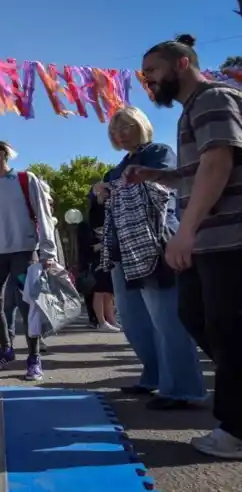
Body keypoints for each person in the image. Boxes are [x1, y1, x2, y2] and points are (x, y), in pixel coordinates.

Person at [129, 34, 242, 457]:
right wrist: (157, 176)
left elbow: (218, 163)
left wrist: (186, 230)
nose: (149, 81)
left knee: (228, 331)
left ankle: (236, 431)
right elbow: (195, 172)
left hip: (230, 238)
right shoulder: (191, 111)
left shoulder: (213, 98)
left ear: (181, 64)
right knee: (196, 316)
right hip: (212, 241)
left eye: (153, 71)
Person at [95, 103, 206, 412]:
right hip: (121, 247)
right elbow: (108, 198)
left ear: (142, 126)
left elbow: (161, 188)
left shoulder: (158, 153)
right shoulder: (117, 166)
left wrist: (108, 188)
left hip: (153, 243)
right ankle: (154, 375)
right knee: (134, 320)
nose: (120, 133)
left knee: (166, 318)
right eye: (114, 130)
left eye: (126, 126)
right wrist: (99, 189)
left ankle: (182, 388)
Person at [0, 139, 57, 381]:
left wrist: (48, 251)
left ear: (2, 155)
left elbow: (44, 214)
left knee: (27, 304)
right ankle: (6, 349)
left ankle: (34, 358)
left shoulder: (25, 179)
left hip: (24, 251)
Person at [78, 195, 117, 331]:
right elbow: (87, 248)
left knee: (108, 292)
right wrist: (105, 243)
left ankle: (111, 319)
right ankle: (101, 321)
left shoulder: (107, 222)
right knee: (99, 292)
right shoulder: (86, 227)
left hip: (107, 260)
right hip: (95, 263)